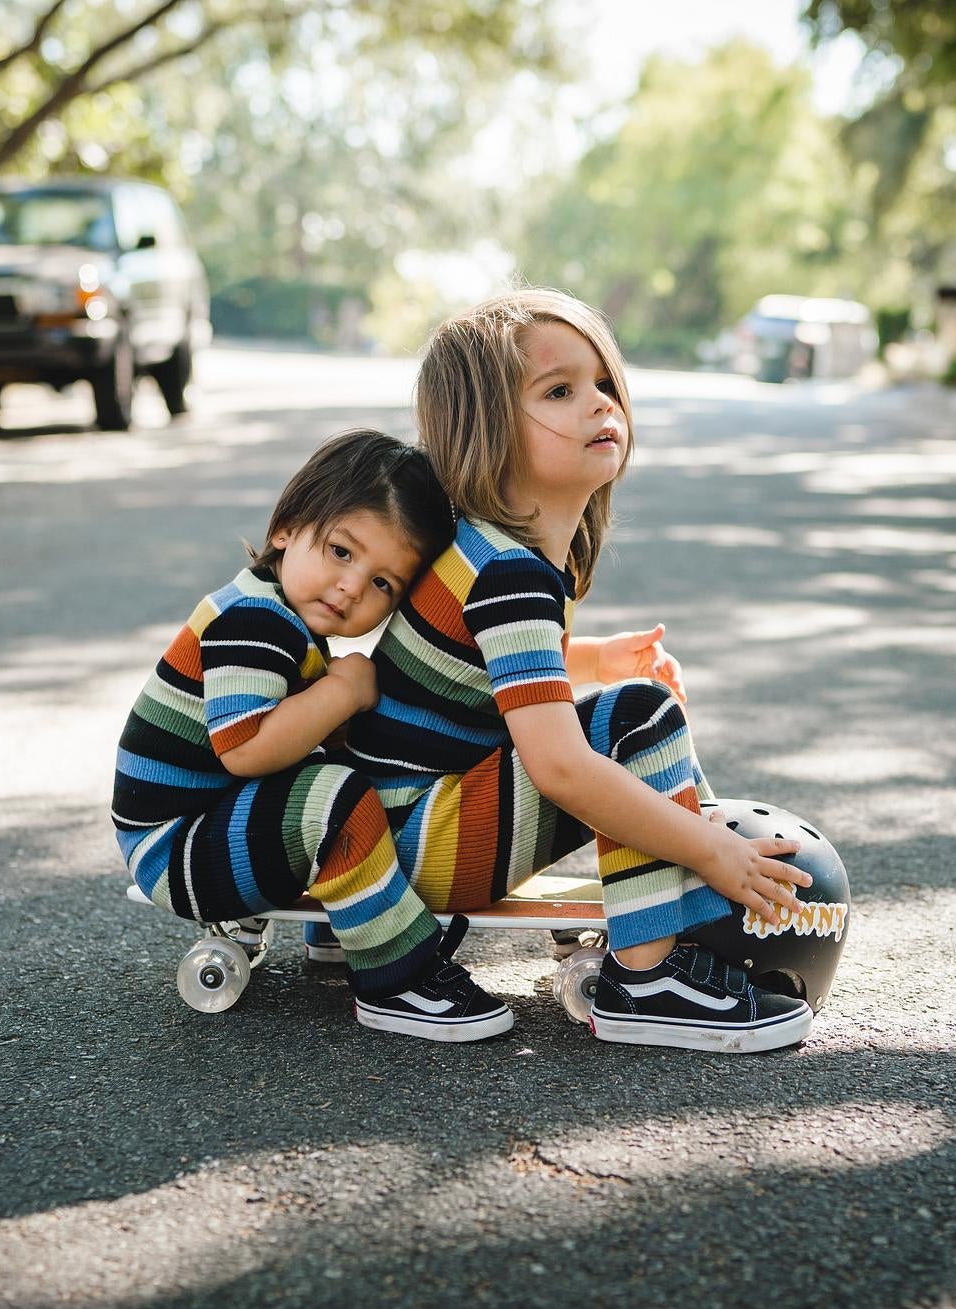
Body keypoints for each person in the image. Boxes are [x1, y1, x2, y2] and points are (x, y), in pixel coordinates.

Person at [344, 289, 818, 1053]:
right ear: (487, 432)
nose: (599, 403)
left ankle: (667, 930)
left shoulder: (491, 556)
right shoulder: (510, 573)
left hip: (397, 831)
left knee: (616, 705)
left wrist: (590, 656)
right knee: (635, 720)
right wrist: (706, 848)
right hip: (414, 844)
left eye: (603, 384)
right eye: (560, 391)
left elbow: (476, 670)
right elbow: (560, 766)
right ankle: (651, 977)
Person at [110, 429, 519, 1040]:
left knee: (338, 771)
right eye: (341, 552)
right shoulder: (253, 619)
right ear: (287, 527)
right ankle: (395, 975)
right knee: (330, 794)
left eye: (385, 583)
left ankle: (339, 929)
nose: (353, 586)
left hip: (212, 822)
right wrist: (344, 692)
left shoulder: (284, 616)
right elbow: (245, 748)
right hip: (175, 847)